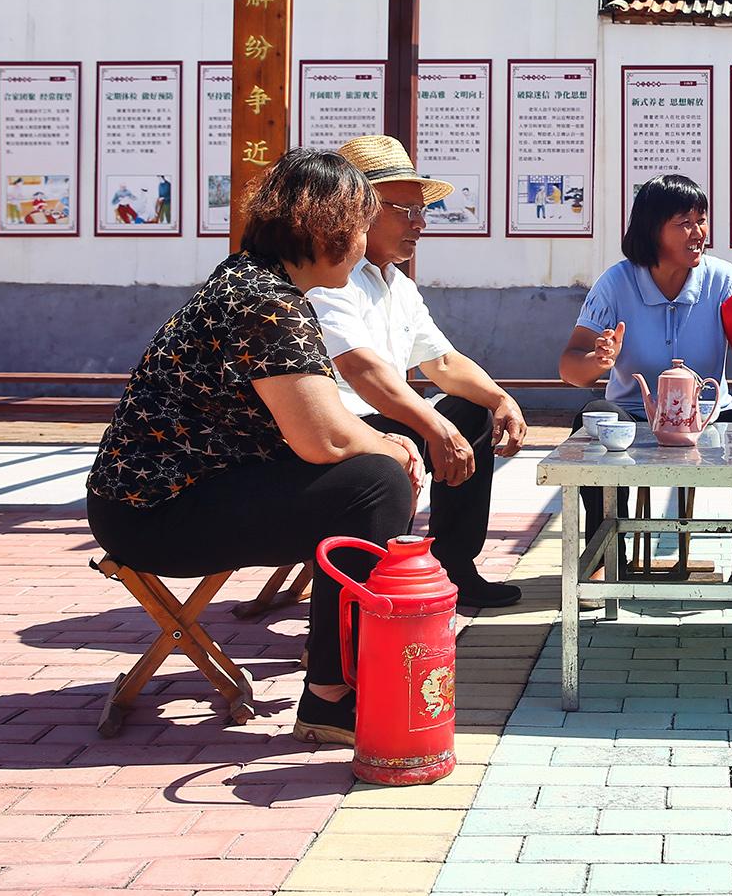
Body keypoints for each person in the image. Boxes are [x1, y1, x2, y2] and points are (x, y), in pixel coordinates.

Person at [85, 149, 423, 747]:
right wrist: (393, 449)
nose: (364, 243)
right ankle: (332, 695)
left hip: (161, 500)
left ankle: (337, 679)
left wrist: (384, 442)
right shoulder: (266, 302)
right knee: (376, 484)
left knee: (374, 470)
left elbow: (314, 422)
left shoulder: (253, 283)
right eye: (361, 226)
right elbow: (323, 438)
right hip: (156, 516)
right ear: (326, 228)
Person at [306, 136, 529, 609]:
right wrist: (435, 427)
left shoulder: (398, 283)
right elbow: (361, 369)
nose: (420, 223)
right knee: (425, 432)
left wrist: (500, 399)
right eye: (406, 210)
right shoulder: (328, 276)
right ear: (358, 208)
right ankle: (379, 588)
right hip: (338, 431)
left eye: (422, 210)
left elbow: (442, 362)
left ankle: (454, 566)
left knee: (473, 413)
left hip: (387, 418)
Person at [558, 174, 732, 599]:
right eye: (684, 223)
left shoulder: (724, 279)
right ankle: (606, 559)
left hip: (709, 420)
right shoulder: (615, 282)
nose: (698, 232)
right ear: (652, 229)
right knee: (594, 420)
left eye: (701, 220)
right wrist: (598, 361)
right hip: (633, 421)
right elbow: (570, 367)